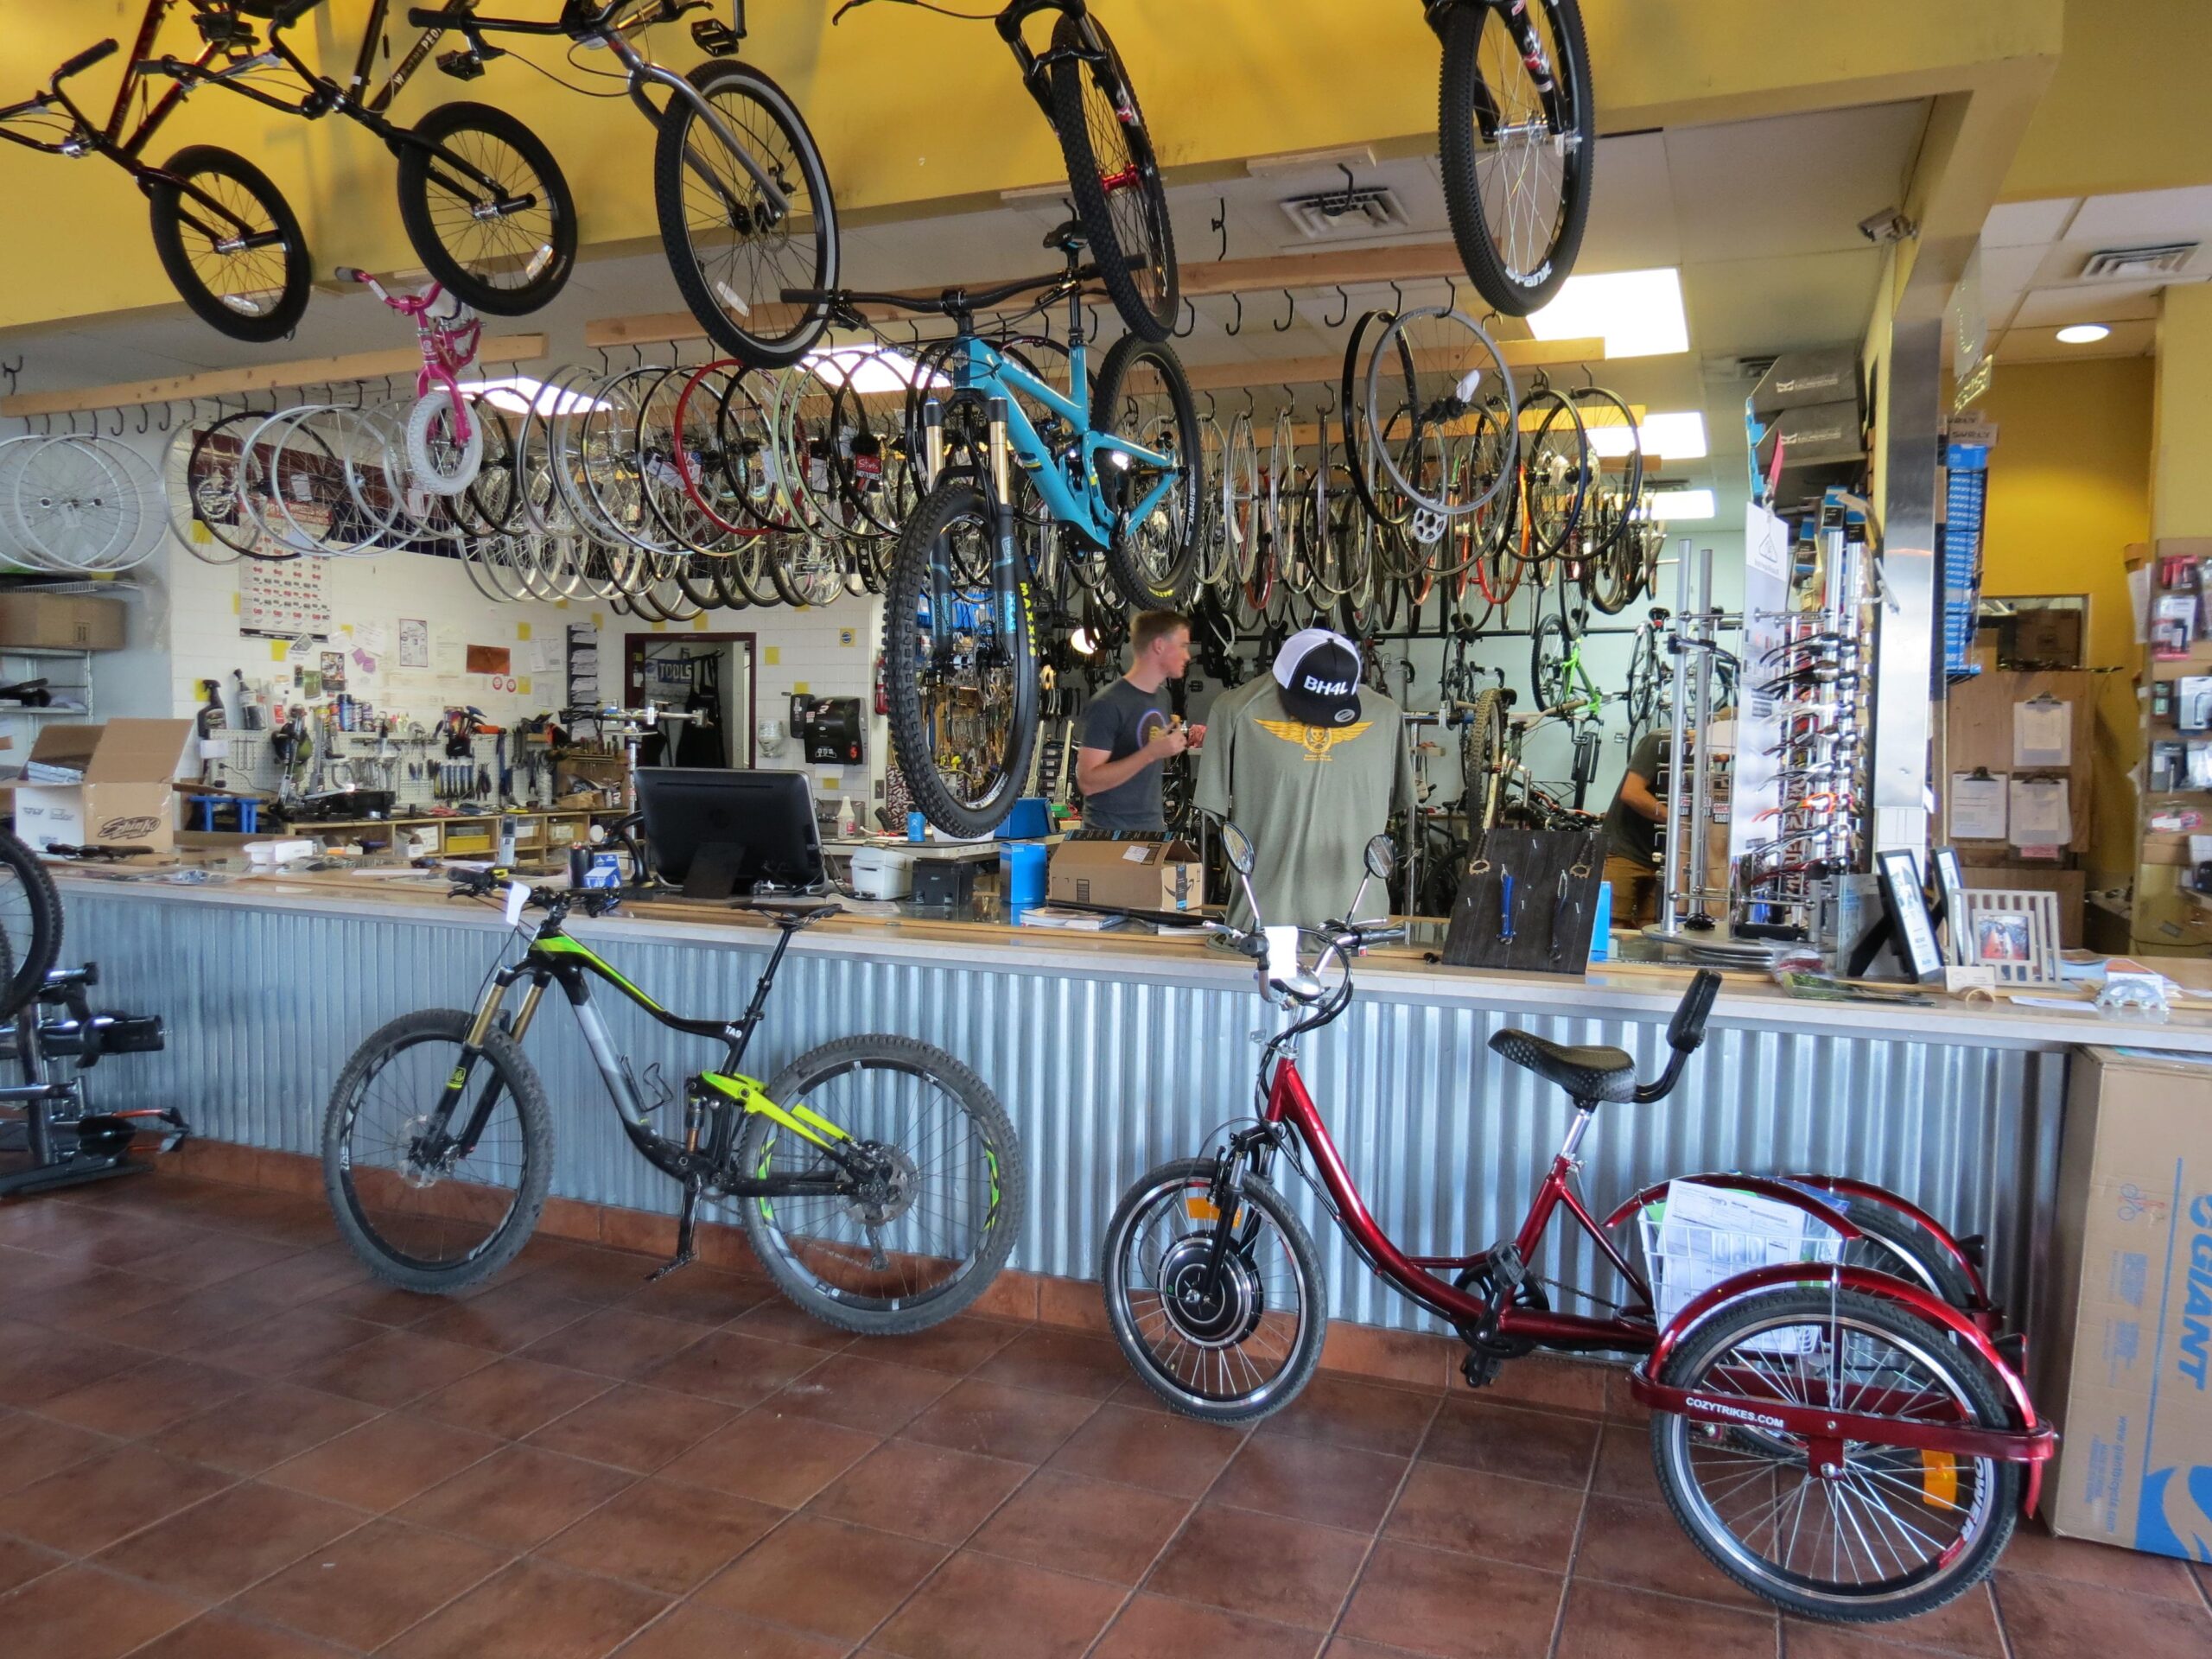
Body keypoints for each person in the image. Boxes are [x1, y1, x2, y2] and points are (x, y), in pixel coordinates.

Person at [1196, 627, 1413, 929]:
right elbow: (1215, 815)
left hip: (1360, 926)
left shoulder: (1387, 715)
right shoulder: (1235, 710)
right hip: (1266, 925)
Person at [1075, 611, 1200, 833]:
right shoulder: (1107, 703)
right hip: (1108, 837)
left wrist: (1183, 738)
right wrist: (1151, 753)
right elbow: (1087, 782)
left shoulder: (1162, 698)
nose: (1187, 656)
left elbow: (1145, 747)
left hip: (1150, 830)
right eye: (1182, 645)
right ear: (1159, 645)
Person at [1601, 729, 1667, 925]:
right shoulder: (1660, 741)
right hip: (1625, 850)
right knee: (1611, 927)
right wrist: (1677, 820)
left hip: (1663, 859)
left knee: (1652, 932)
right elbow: (1632, 793)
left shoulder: (1712, 763)